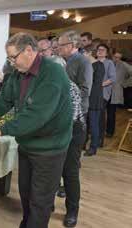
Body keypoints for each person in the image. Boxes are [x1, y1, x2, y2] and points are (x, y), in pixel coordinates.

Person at [0, 32, 73, 228]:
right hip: (28, 144)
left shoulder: (53, 73)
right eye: (9, 58)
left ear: (29, 51)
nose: (11, 62)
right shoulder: (17, 74)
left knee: (40, 202)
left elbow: (36, 116)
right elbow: (2, 101)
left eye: (13, 57)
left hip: (50, 149)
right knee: (26, 194)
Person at [39, 36, 86, 227]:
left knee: (69, 172)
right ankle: (48, 204)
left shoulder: (71, 88)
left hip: (73, 132)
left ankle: (72, 211)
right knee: (51, 171)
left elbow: (68, 118)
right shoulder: (46, 87)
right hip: (54, 132)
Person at [83, 45, 105, 156]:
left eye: (84, 53)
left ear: (89, 53)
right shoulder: (88, 65)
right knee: (85, 124)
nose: (82, 56)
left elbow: (96, 85)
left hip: (95, 99)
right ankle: (83, 144)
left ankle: (93, 148)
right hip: (87, 98)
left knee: (94, 125)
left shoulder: (99, 65)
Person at [96, 44, 116, 143]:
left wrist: (101, 84)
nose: (100, 51)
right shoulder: (93, 62)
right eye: (98, 49)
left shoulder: (109, 63)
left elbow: (112, 78)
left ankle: (100, 140)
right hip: (93, 93)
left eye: (102, 50)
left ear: (107, 53)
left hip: (103, 93)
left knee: (100, 116)